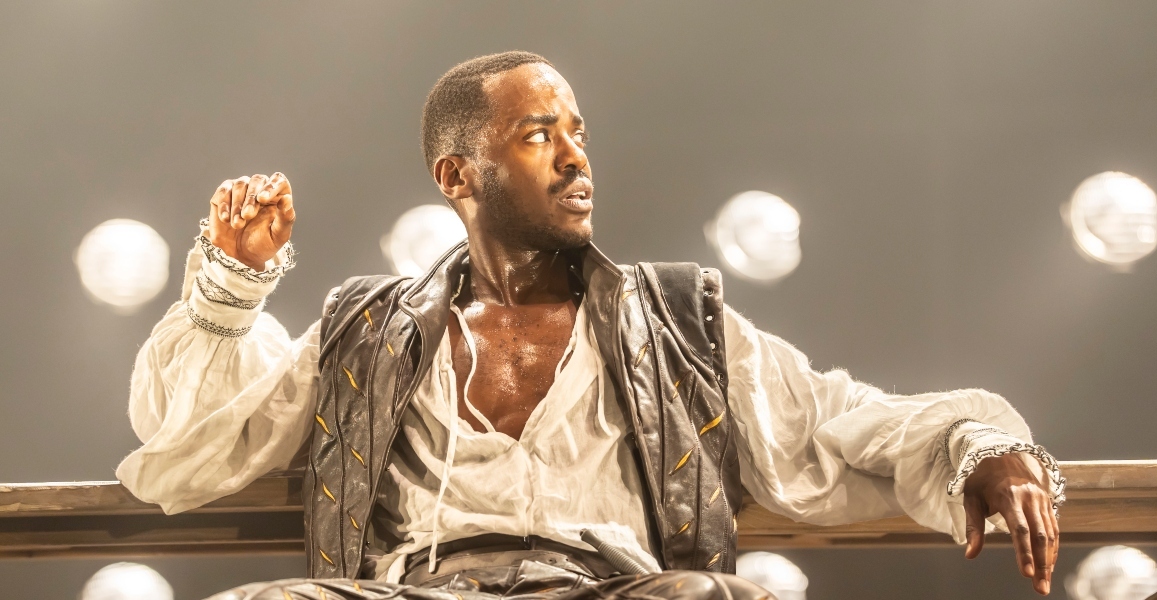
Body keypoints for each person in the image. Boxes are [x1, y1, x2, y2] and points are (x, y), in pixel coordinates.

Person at [117, 51, 1065, 599]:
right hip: (418, 593)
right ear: (457, 176)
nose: (576, 158)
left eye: (578, 133)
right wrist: (232, 286)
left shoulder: (675, 319)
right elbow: (197, 448)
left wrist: (980, 445)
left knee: (715, 599)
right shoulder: (367, 327)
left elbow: (832, 419)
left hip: (612, 591)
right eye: (539, 136)